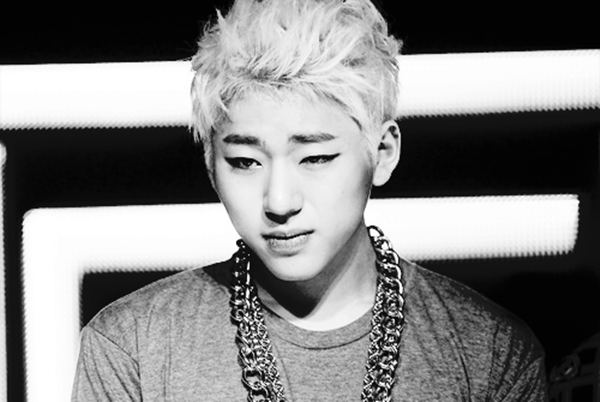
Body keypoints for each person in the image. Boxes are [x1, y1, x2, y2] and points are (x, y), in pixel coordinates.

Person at [71, 0, 549, 400]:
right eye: (245, 161)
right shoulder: (133, 347)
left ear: (383, 153)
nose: (280, 201)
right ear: (211, 164)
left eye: (315, 158)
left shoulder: (490, 353)